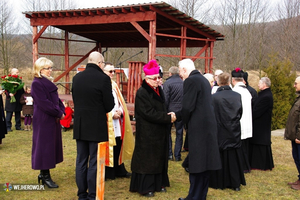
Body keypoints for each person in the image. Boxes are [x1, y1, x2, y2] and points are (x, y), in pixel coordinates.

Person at [129, 59, 176, 198]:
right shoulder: (142, 92)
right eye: (154, 78)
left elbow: (162, 107)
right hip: (147, 133)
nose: (158, 80)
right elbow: (148, 113)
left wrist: (168, 115)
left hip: (159, 131)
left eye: (159, 78)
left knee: (159, 158)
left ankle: (158, 183)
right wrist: (167, 118)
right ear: (147, 79)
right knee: (147, 160)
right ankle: (146, 187)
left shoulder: (159, 90)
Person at [177, 59, 221, 200]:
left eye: (180, 71)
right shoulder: (203, 79)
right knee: (205, 165)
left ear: (184, 69)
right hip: (208, 127)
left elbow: (187, 107)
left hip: (198, 129)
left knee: (197, 165)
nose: (180, 74)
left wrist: (179, 119)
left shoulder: (191, 81)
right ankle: (200, 195)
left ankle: (193, 197)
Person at [72, 51, 114, 199]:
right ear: (100, 63)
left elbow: (75, 99)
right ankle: (92, 194)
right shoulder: (103, 79)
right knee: (94, 161)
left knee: (81, 160)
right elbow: (109, 106)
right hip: (96, 126)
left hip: (80, 124)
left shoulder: (76, 78)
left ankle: (81, 193)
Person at [31, 57, 65, 188]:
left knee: (50, 146)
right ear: (40, 69)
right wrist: (58, 113)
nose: (50, 70)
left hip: (52, 118)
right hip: (44, 119)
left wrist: (62, 110)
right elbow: (44, 103)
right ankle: (45, 175)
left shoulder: (47, 82)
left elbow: (56, 100)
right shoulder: (37, 83)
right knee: (44, 147)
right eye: (47, 68)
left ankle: (44, 173)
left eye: (51, 68)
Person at [209, 72, 246, 191]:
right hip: (233, 129)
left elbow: (211, 115)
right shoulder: (236, 96)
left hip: (219, 130)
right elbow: (240, 113)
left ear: (218, 82)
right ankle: (235, 183)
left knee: (220, 156)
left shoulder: (214, 97)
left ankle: (219, 182)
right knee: (233, 157)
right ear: (229, 82)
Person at [103, 62, 134, 180]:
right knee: (109, 146)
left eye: (113, 71)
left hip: (117, 121)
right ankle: (109, 172)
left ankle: (119, 169)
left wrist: (120, 111)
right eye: (109, 71)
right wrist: (111, 114)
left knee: (118, 144)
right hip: (108, 121)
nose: (112, 74)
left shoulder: (114, 85)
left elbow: (120, 101)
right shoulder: (102, 85)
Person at [249, 77, 274, 171]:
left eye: (260, 83)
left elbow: (257, 111)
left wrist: (251, 114)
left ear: (264, 84)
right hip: (259, 123)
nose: (258, 84)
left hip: (262, 124)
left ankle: (260, 164)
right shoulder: (263, 94)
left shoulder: (266, 96)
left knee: (261, 144)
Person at [231, 68, 253, 173]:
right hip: (247, 123)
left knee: (239, 148)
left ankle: (242, 167)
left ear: (233, 80)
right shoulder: (247, 91)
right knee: (244, 147)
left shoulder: (235, 92)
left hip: (239, 123)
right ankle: (245, 166)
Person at [163, 66, 184, 161]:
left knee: (167, 133)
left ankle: (169, 154)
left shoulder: (167, 83)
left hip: (170, 111)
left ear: (170, 74)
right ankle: (178, 155)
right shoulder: (183, 83)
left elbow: (166, 99)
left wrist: (165, 111)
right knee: (179, 133)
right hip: (180, 112)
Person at [284, 76, 300, 190]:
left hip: (299, 137)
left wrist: (299, 136)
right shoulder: (298, 99)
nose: (294, 85)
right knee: (296, 157)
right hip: (295, 136)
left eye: (296, 83)